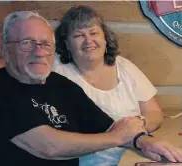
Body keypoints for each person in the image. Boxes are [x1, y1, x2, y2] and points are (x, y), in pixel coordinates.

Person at [0, 11, 182, 166]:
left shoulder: (61, 85)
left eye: (45, 44)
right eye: (26, 43)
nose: (38, 52)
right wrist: (119, 138)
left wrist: (144, 143)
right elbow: (48, 147)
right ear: (5, 50)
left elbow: (108, 126)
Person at [53, 5, 171, 165]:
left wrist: (137, 124)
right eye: (79, 35)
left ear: (105, 37)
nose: (88, 41)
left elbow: (154, 113)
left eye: (94, 33)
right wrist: (120, 135)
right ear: (66, 43)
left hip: (134, 156)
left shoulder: (124, 66)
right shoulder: (58, 74)